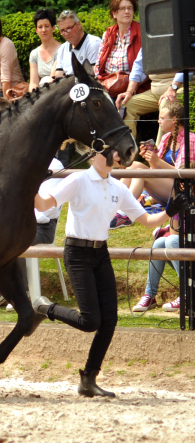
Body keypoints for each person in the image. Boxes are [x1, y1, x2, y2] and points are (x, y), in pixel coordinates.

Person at [33, 151, 186, 398]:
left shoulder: (118, 186)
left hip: (100, 254)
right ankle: (44, 308)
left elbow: (147, 220)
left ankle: (89, 379)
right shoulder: (77, 180)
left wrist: (169, 211)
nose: (116, 155)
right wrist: (33, 183)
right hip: (77, 253)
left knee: (110, 320)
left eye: (117, 152)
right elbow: (43, 204)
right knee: (90, 322)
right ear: (93, 155)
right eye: (109, 151)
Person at [0, 158, 64, 309]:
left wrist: (21, 218)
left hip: (43, 227)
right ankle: (2, 289)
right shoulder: (20, 162)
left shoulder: (53, 165)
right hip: (19, 225)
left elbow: (48, 212)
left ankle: (22, 292)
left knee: (16, 241)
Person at [112, 103, 195, 229]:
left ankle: (124, 215)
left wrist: (158, 161)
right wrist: (149, 158)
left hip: (183, 190)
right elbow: (155, 171)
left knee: (141, 174)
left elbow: (182, 175)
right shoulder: (166, 137)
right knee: (133, 166)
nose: (158, 121)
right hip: (167, 186)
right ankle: (114, 203)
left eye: (162, 118)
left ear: (174, 120)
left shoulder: (191, 139)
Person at [115, 49, 187, 143]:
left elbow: (188, 65)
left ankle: (160, 154)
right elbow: (139, 66)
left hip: (182, 87)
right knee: (125, 104)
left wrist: (172, 88)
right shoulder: (149, 37)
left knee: (166, 102)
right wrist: (129, 91)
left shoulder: (181, 35)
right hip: (155, 91)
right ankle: (127, 151)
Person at [94, 0, 144, 100]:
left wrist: (131, 88)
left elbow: (144, 68)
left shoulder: (142, 33)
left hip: (132, 86)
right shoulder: (108, 34)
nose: (127, 11)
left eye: (129, 8)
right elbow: (98, 64)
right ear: (114, 14)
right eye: (122, 8)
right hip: (108, 84)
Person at [132, 228, 180, 312]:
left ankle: (187, 294)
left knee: (171, 240)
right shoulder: (177, 214)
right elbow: (174, 233)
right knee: (159, 243)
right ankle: (149, 295)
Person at [51, 10, 101, 78]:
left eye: (69, 28)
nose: (66, 33)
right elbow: (58, 76)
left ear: (79, 24)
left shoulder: (93, 43)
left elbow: (95, 77)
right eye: (62, 30)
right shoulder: (62, 49)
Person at [29, 9, 61, 91]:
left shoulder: (61, 50)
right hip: (41, 94)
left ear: (53, 28)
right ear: (36, 30)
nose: (43, 30)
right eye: (40, 27)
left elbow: (55, 79)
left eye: (47, 26)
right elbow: (33, 82)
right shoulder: (34, 54)